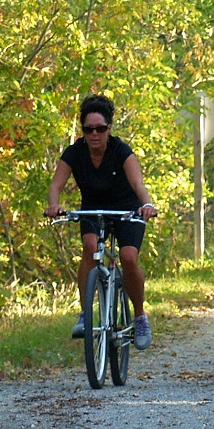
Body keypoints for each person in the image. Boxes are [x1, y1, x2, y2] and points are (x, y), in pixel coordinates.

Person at [45, 94, 158, 350]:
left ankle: (140, 316)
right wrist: (54, 205)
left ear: (109, 129)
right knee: (89, 248)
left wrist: (147, 205)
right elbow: (56, 184)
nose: (94, 134)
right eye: (88, 129)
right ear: (82, 131)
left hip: (127, 208)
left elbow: (138, 184)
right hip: (93, 210)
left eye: (100, 128)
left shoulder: (121, 151)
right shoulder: (75, 153)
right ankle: (86, 314)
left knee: (128, 257)